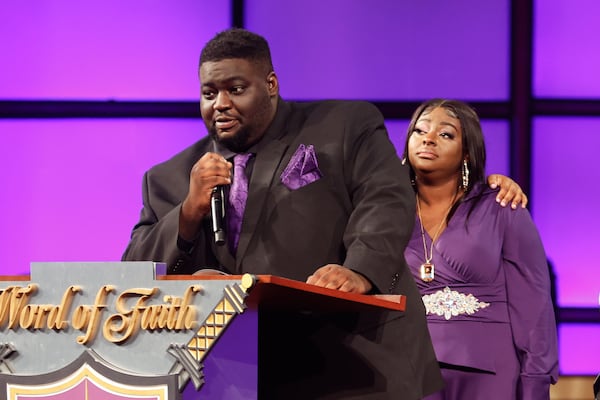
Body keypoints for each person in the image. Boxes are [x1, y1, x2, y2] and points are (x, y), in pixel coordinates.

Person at [122, 28, 524, 399]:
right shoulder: (170, 177)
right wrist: (189, 212)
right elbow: (133, 271)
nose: (221, 104)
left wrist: (361, 270)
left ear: (271, 85)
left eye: (236, 89)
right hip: (236, 377)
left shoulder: (345, 126)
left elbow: (386, 199)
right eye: (209, 93)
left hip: (352, 365)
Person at [401, 99, 559, 399]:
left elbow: (534, 306)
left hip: (490, 373)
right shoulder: (386, 210)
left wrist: (536, 382)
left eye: (446, 134)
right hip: (408, 368)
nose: (428, 138)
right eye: (419, 130)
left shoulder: (502, 207)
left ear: (467, 152)